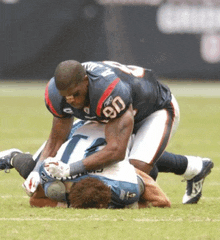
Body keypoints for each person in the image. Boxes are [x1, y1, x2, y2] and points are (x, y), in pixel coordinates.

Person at [20, 60, 213, 204]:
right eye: (66, 97)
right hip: (112, 112)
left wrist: (70, 170)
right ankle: (194, 167)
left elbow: (116, 151)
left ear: (86, 81)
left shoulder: (108, 92)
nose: (72, 101)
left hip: (155, 109)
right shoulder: (58, 93)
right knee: (93, 157)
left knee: (134, 167)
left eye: (76, 94)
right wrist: (36, 172)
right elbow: (56, 141)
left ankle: (193, 167)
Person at [0, 120, 171, 208]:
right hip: (78, 130)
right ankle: (12, 157)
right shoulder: (54, 173)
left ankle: (191, 165)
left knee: (147, 167)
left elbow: (162, 201)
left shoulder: (121, 175)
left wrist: (63, 205)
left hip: (115, 131)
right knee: (33, 171)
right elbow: (35, 200)